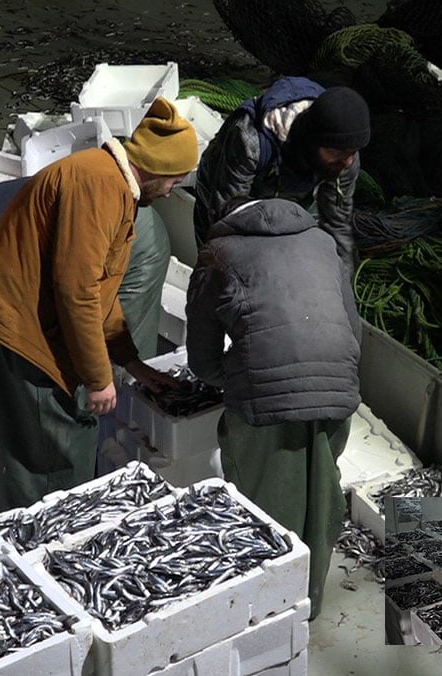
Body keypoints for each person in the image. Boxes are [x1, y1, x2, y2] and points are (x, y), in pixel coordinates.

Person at [0, 97, 197, 511]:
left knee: (41, 456)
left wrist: (131, 362)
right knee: (49, 466)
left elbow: (101, 290)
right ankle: (41, 557)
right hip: (21, 337)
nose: (173, 189)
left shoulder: (112, 185)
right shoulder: (99, 186)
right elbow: (78, 290)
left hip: (24, 324)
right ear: (157, 168)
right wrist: (99, 377)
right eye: (175, 179)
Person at [185, 197, 362, 619]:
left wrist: (234, 377)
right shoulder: (321, 241)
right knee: (320, 496)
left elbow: (202, 358)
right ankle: (309, 604)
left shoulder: (218, 253)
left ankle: (270, 612)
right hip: (338, 385)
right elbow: (354, 326)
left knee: (267, 502)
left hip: (265, 398)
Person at [0, 179, 171, 387]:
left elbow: (71, 298)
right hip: (79, 242)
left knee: (113, 346)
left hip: (131, 236)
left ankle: (128, 413)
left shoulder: (18, 237)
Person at [193, 78, 370, 273]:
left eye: (352, 153)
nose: (348, 162)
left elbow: (337, 225)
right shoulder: (250, 142)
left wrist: (343, 288)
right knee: (219, 261)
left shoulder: (344, 155)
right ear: (313, 141)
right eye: (337, 154)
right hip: (223, 187)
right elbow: (226, 221)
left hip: (292, 190)